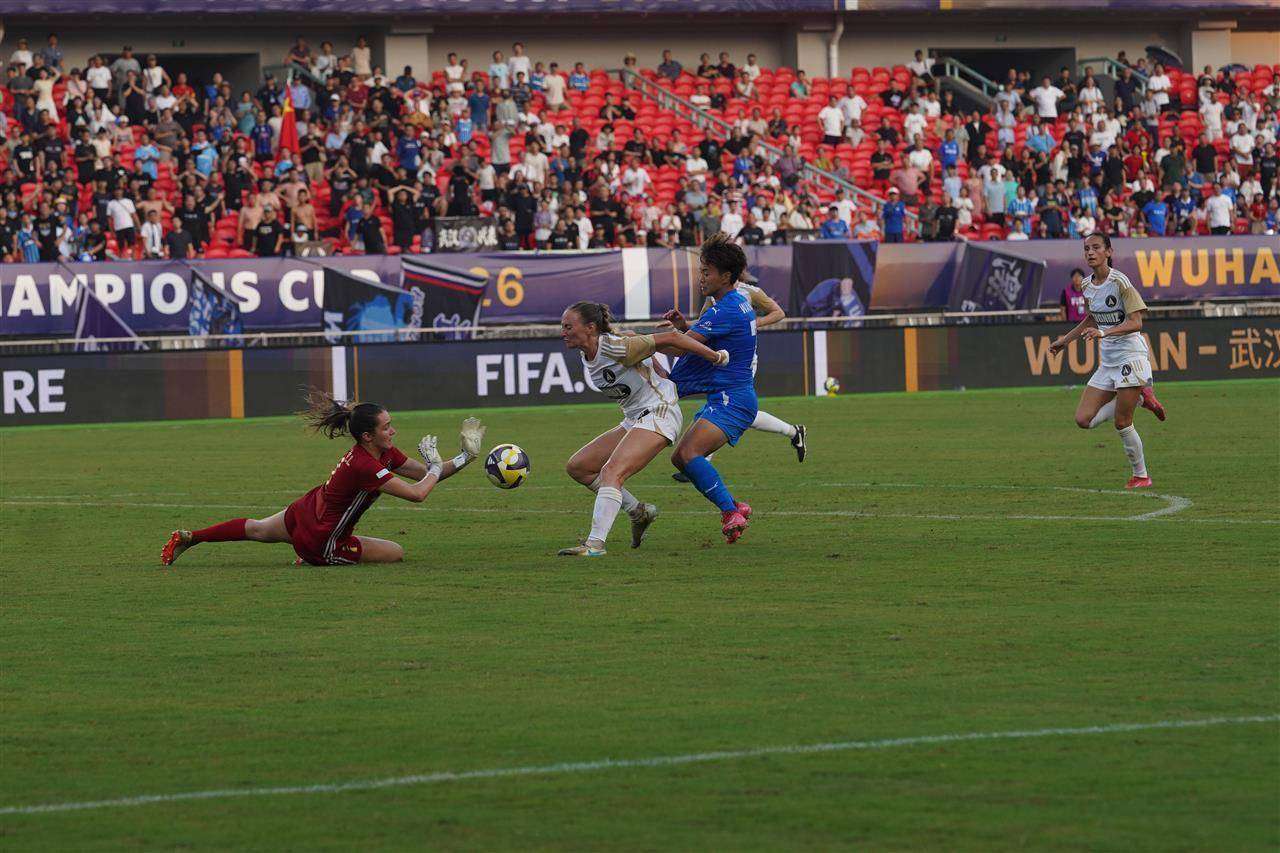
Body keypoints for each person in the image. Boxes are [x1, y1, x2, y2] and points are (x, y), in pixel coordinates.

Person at [161, 392, 487, 566]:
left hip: (307, 511)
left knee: (257, 528)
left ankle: (192, 538)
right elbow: (418, 494)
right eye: (387, 427)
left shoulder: (380, 453)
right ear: (367, 436)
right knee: (396, 552)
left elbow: (426, 475)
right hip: (323, 540)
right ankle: (310, 557)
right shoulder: (365, 465)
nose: (393, 430)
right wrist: (432, 469)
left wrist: (465, 456)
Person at [557, 301, 729, 557]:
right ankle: (638, 511)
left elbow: (671, 337)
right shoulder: (591, 352)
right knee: (579, 467)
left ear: (590, 327)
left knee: (612, 471)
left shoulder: (617, 347)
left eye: (568, 326)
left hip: (660, 412)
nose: (563, 332)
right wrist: (658, 371)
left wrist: (715, 356)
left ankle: (594, 545)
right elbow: (640, 349)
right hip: (635, 418)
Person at [660, 234, 759, 543]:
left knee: (689, 454)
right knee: (680, 458)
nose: (701, 278)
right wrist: (685, 329)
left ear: (726, 276)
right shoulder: (736, 303)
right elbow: (702, 341)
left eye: (707, 272)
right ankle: (733, 506)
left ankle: (730, 512)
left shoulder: (724, 309)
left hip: (733, 399)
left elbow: (683, 349)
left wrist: (638, 343)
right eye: (701, 271)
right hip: (730, 395)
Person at [1048, 233, 1167, 490]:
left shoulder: (1120, 281)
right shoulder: (1087, 285)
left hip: (1131, 355)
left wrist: (1104, 332)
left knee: (1122, 422)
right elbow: (1092, 318)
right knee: (1083, 419)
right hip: (1109, 360)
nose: (1090, 252)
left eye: (1096, 248)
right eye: (1086, 249)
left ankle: (1141, 475)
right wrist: (1065, 340)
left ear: (1108, 252)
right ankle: (1140, 397)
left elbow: (1136, 322)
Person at [672, 276, 806, 484]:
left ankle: (700, 460)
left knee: (731, 407)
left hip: (742, 360)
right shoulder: (714, 296)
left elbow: (778, 313)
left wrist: (752, 323)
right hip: (720, 357)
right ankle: (793, 431)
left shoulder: (749, 292)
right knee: (731, 408)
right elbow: (704, 327)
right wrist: (684, 326)